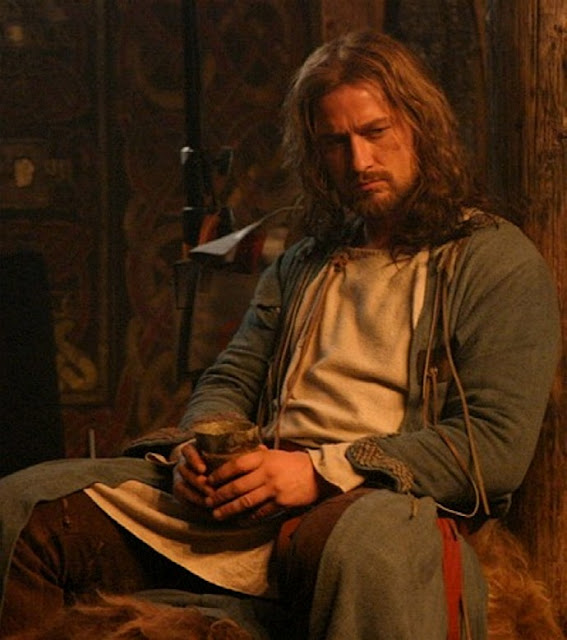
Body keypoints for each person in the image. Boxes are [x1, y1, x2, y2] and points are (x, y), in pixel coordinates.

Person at [0, 30, 561, 640]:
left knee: (368, 546)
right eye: (336, 143)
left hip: (375, 502)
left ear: (420, 127)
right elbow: (232, 377)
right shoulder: (305, 262)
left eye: (376, 132)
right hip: (260, 488)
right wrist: (200, 451)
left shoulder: (493, 259)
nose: (360, 162)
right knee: (24, 506)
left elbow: (490, 452)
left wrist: (319, 471)